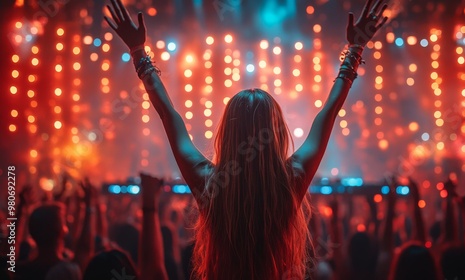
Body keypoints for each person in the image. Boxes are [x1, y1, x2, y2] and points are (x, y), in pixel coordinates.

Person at [104, 0, 388, 278]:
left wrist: (138, 51)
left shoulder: (210, 183)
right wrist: (355, 48)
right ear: (275, 133)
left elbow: (168, 115)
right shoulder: (291, 179)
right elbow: (330, 112)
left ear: (227, 133)